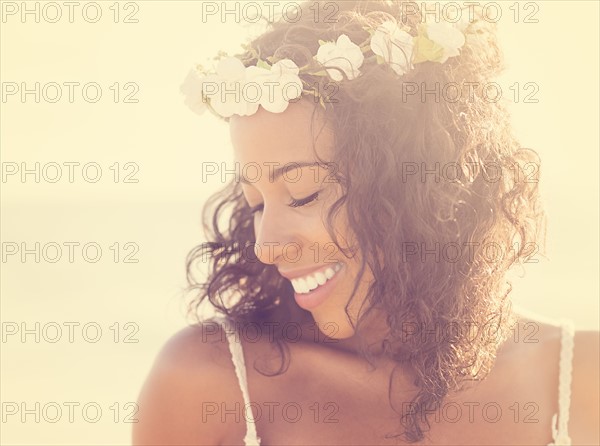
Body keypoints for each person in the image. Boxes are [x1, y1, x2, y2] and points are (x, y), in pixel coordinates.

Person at [132, 1, 599, 445]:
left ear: (421, 182)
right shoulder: (210, 383)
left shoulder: (581, 381)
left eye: (302, 194)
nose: (266, 246)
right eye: (256, 205)